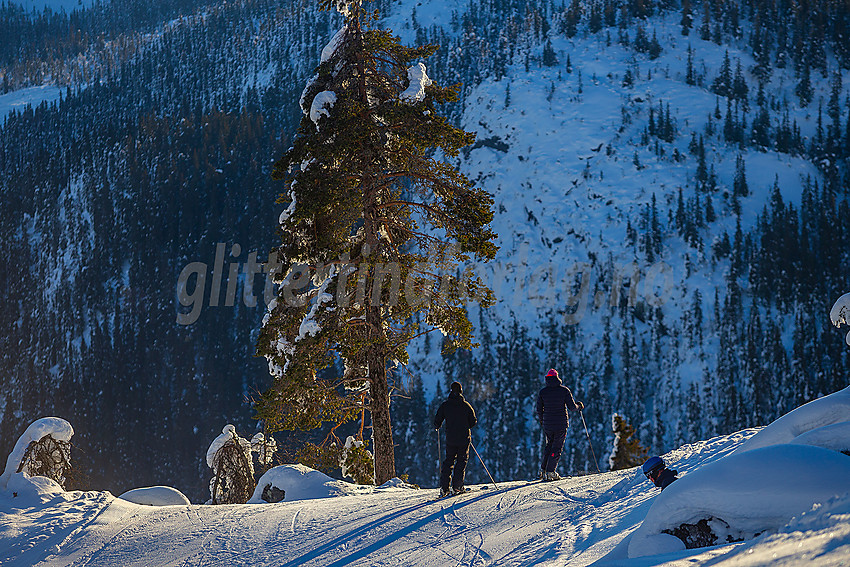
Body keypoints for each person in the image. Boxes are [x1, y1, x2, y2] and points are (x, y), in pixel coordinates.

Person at [536, 369, 584, 481]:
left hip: (548, 424)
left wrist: (543, 420)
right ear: (557, 378)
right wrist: (579, 406)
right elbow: (572, 407)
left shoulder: (543, 392)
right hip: (561, 424)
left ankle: (543, 470)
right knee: (556, 447)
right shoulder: (564, 391)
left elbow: (539, 409)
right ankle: (550, 472)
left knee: (549, 446)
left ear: (547, 378)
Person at [434, 381, 478, 497]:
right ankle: (457, 487)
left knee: (449, 461)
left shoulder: (445, 405)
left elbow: (437, 420)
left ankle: (444, 488)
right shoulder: (466, 406)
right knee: (461, 461)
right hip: (464, 438)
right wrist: (465, 426)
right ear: (461, 391)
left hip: (451, 439)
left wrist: (437, 426)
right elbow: (473, 421)